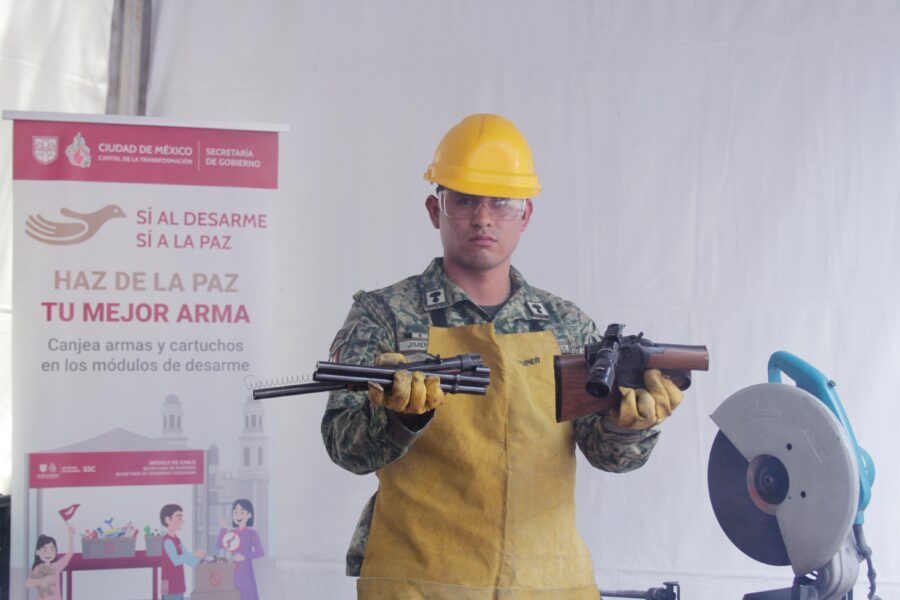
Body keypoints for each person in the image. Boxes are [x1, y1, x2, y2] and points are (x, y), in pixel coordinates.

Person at [321, 113, 684, 599]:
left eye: (502, 201)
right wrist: (398, 420)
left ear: (525, 215)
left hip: (546, 583)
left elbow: (606, 455)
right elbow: (345, 448)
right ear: (435, 209)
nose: (483, 216)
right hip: (420, 584)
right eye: (465, 199)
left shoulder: (564, 325)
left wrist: (627, 425)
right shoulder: (384, 316)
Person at [217, 498, 264, 600]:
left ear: (249, 515)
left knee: (247, 594)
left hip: (246, 570)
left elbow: (260, 552)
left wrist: (244, 557)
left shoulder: (252, 533)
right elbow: (220, 545)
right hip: (232, 570)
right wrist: (223, 528)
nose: (238, 516)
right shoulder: (231, 532)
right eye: (235, 512)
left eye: (242, 512)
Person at [159, 504, 206, 600]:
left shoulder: (177, 540)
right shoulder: (167, 541)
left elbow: (188, 560)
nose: (182, 522)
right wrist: (193, 554)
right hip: (169, 584)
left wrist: (201, 559)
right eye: (179, 518)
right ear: (167, 520)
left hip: (177, 584)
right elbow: (176, 561)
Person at [25, 526, 74, 600]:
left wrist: (70, 534)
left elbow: (69, 554)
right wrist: (43, 579)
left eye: (52, 549)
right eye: (45, 550)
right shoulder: (39, 568)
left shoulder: (56, 566)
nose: (49, 553)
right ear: (38, 552)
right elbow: (28, 583)